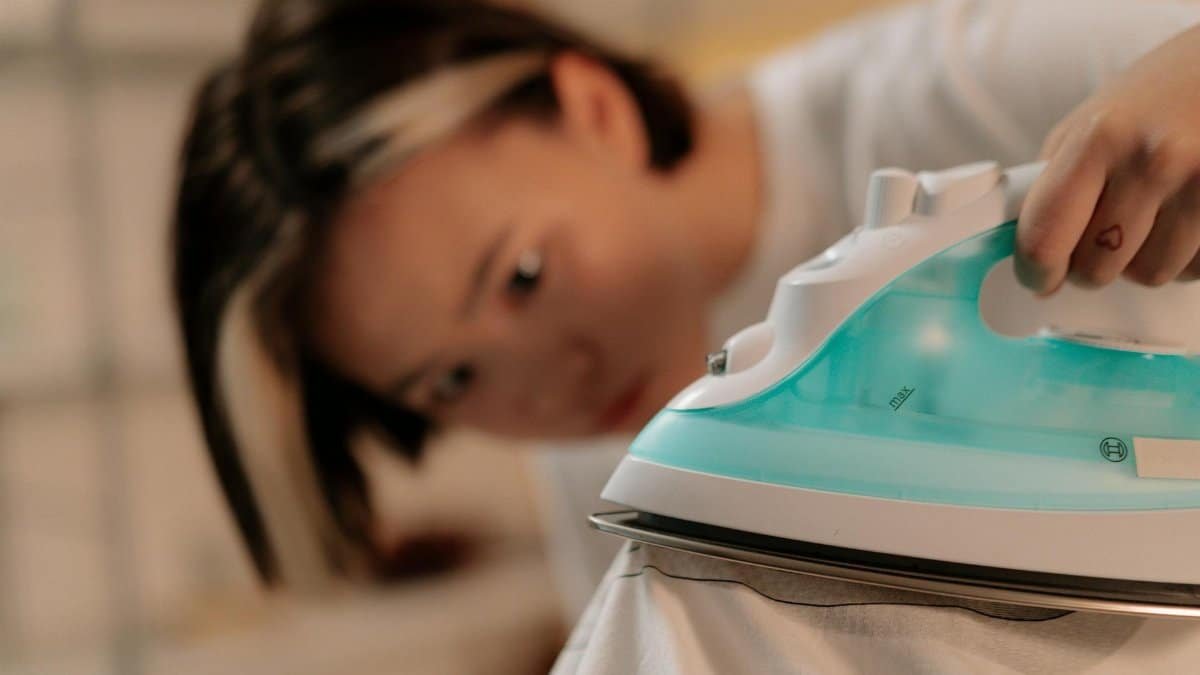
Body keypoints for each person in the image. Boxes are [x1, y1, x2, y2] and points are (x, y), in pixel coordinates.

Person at [170, 0, 1200, 668]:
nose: (546, 385)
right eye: (452, 379)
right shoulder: (609, 460)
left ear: (594, 109)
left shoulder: (955, 83)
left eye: (524, 278)